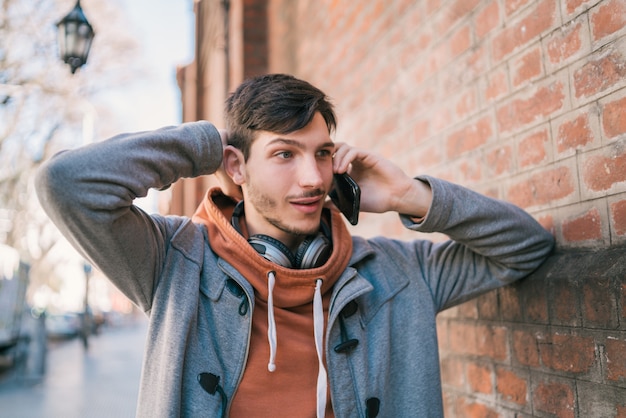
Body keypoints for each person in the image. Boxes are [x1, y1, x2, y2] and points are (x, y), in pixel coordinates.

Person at [36, 73, 554, 417]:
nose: (313, 178)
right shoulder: (172, 260)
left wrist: (409, 194)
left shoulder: (396, 272)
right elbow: (68, 184)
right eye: (285, 154)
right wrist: (211, 144)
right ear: (236, 167)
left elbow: (526, 247)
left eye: (323, 153)